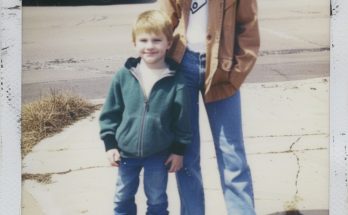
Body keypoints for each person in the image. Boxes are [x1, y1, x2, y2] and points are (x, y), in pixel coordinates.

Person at [161, 0, 260, 214]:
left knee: (232, 153)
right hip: (182, 64)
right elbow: (165, 21)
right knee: (186, 153)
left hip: (221, 67)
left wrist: (235, 75)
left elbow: (249, 27)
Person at [99, 10, 192, 215]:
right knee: (122, 197)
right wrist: (110, 143)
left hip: (158, 155)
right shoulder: (124, 76)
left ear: (169, 43)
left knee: (157, 199)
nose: (149, 46)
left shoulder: (176, 80)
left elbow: (183, 120)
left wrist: (178, 150)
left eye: (157, 40)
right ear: (134, 43)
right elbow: (110, 113)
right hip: (125, 153)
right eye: (143, 40)